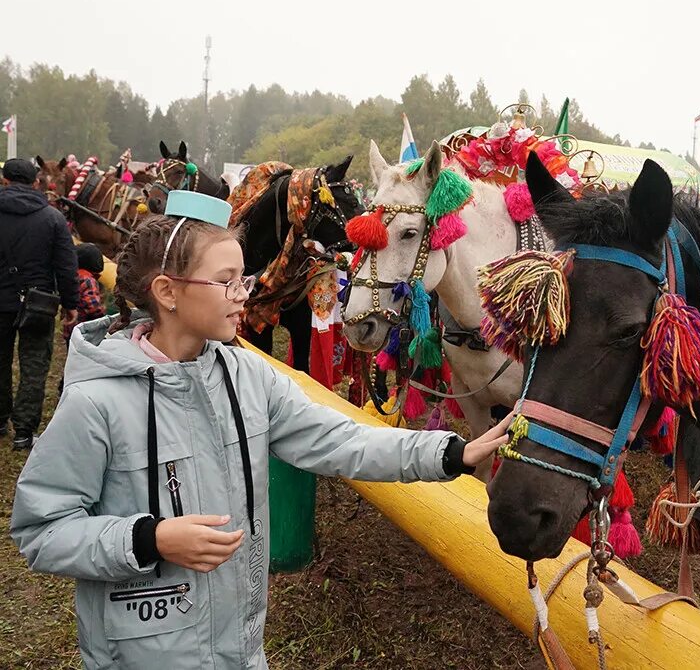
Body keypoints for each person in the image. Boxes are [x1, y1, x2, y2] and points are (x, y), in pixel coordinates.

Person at [10, 191, 513, 669]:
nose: (242, 295)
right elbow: (41, 530)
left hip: (241, 650)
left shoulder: (247, 377)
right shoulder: (96, 401)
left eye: (243, 279)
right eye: (226, 281)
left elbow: (341, 440)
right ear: (167, 292)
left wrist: (451, 454)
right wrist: (148, 539)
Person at [0, 157, 79, 449]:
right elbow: (66, 266)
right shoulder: (53, 218)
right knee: (34, 366)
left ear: (5, 180)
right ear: (36, 182)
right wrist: (71, 303)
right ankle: (24, 430)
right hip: (39, 301)